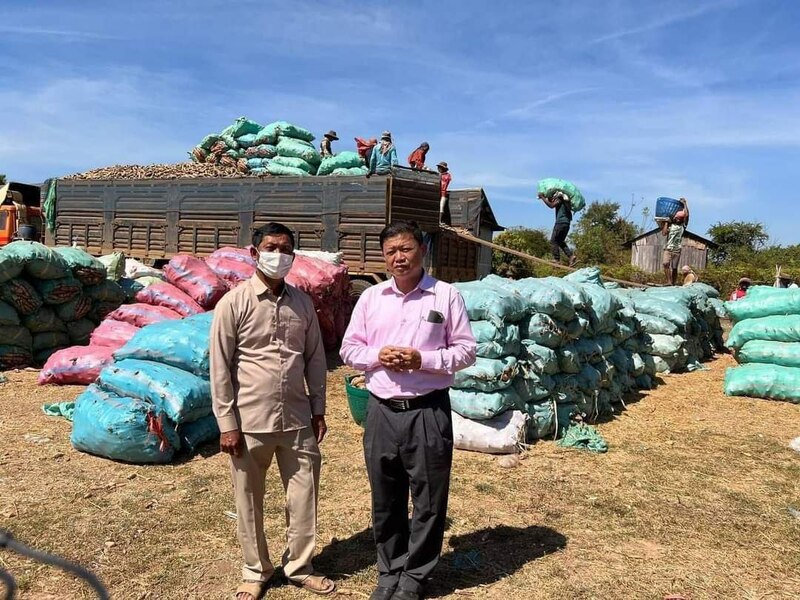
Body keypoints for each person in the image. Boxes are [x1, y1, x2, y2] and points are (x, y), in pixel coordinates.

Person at [340, 220, 476, 600]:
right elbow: (349, 349)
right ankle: (389, 572)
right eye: (391, 252)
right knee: (386, 497)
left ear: (422, 250)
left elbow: (466, 351)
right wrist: (377, 356)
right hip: (381, 410)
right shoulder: (371, 298)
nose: (399, 258)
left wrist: (423, 360)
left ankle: (415, 578)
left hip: (427, 411)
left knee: (429, 499)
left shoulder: (445, 296)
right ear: (384, 258)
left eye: (406, 249)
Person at [210, 222, 335, 600]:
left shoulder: (302, 304)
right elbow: (220, 366)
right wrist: (227, 424)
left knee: (304, 496)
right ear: (254, 253)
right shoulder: (234, 303)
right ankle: (255, 570)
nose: (278, 255)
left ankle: (300, 566)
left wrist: (318, 408)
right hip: (250, 421)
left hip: (297, 418)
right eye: (271, 247)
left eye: (285, 249)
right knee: (249, 500)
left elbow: (315, 359)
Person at [538, 188, 577, 267]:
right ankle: (571, 256)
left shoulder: (560, 199)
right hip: (567, 224)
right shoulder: (567, 202)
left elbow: (551, 205)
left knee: (553, 241)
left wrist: (542, 197)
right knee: (560, 241)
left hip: (560, 223)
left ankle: (556, 260)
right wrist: (547, 197)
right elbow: (552, 201)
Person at [660, 198, 689, 285]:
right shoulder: (670, 226)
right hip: (668, 248)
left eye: (680, 218)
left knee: (674, 267)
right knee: (665, 264)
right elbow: (664, 233)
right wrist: (666, 222)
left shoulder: (683, 226)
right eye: (677, 218)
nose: (678, 219)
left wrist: (685, 204)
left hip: (677, 249)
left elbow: (687, 215)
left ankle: (673, 282)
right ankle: (669, 282)